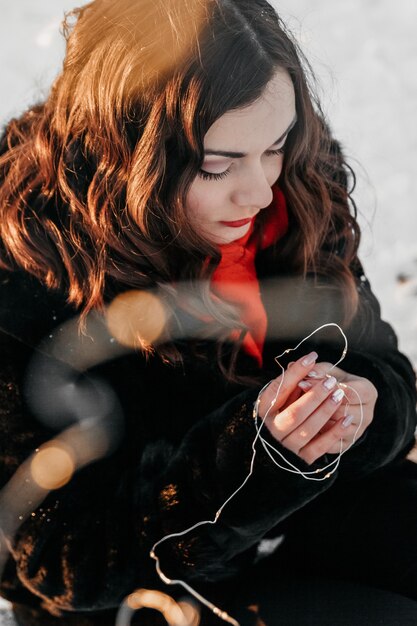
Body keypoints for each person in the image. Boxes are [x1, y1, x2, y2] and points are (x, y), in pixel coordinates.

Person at [0, 1, 416, 624]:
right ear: (127, 155)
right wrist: (254, 459)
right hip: (151, 586)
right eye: (216, 166)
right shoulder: (29, 269)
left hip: (304, 514)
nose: (259, 191)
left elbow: (387, 372)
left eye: (274, 147)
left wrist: (364, 407)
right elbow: (63, 564)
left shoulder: (294, 185)